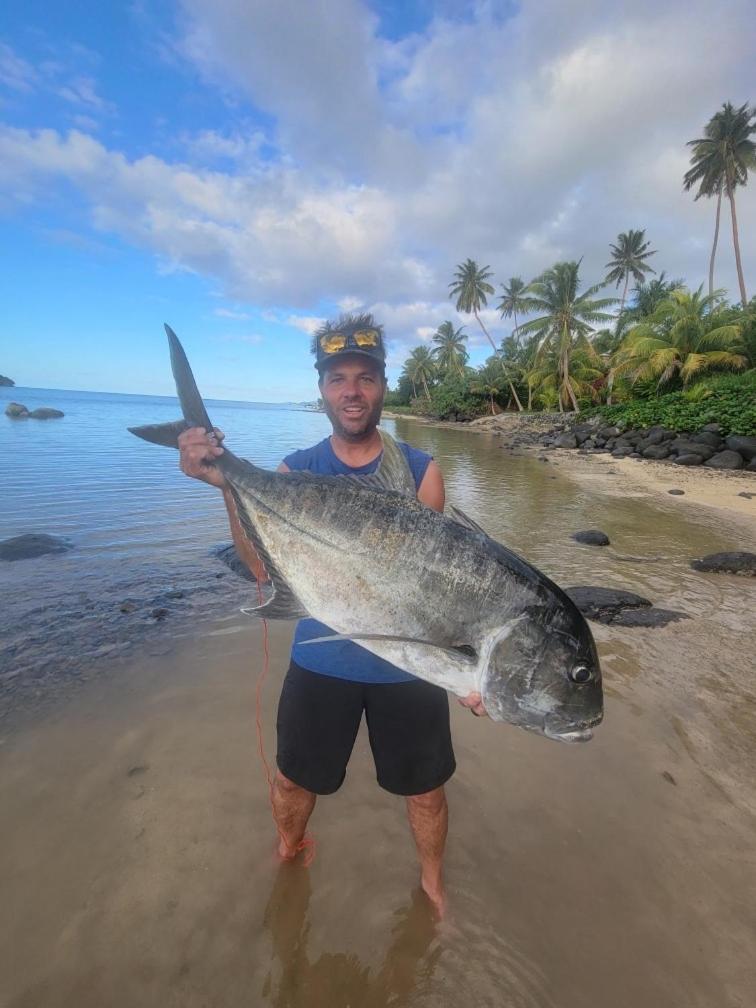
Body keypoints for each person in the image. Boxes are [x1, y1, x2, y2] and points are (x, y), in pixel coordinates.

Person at [178, 313, 485, 912]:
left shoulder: (422, 473)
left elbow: (439, 588)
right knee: (293, 779)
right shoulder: (294, 471)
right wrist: (227, 489)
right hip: (323, 659)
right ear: (321, 390)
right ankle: (289, 851)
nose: (352, 391)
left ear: (383, 385)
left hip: (409, 666)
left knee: (426, 791)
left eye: (365, 377)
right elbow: (266, 571)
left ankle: (431, 884)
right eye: (339, 378)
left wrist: (473, 672)